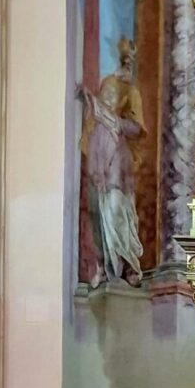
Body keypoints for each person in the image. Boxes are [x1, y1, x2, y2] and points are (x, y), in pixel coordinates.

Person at [79, 37, 145, 288]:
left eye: (131, 60)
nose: (128, 63)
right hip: (99, 155)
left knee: (117, 209)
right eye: (125, 59)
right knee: (99, 212)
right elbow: (93, 115)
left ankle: (127, 263)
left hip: (118, 158)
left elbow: (137, 127)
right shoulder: (107, 83)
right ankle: (106, 264)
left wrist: (115, 122)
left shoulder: (132, 93)